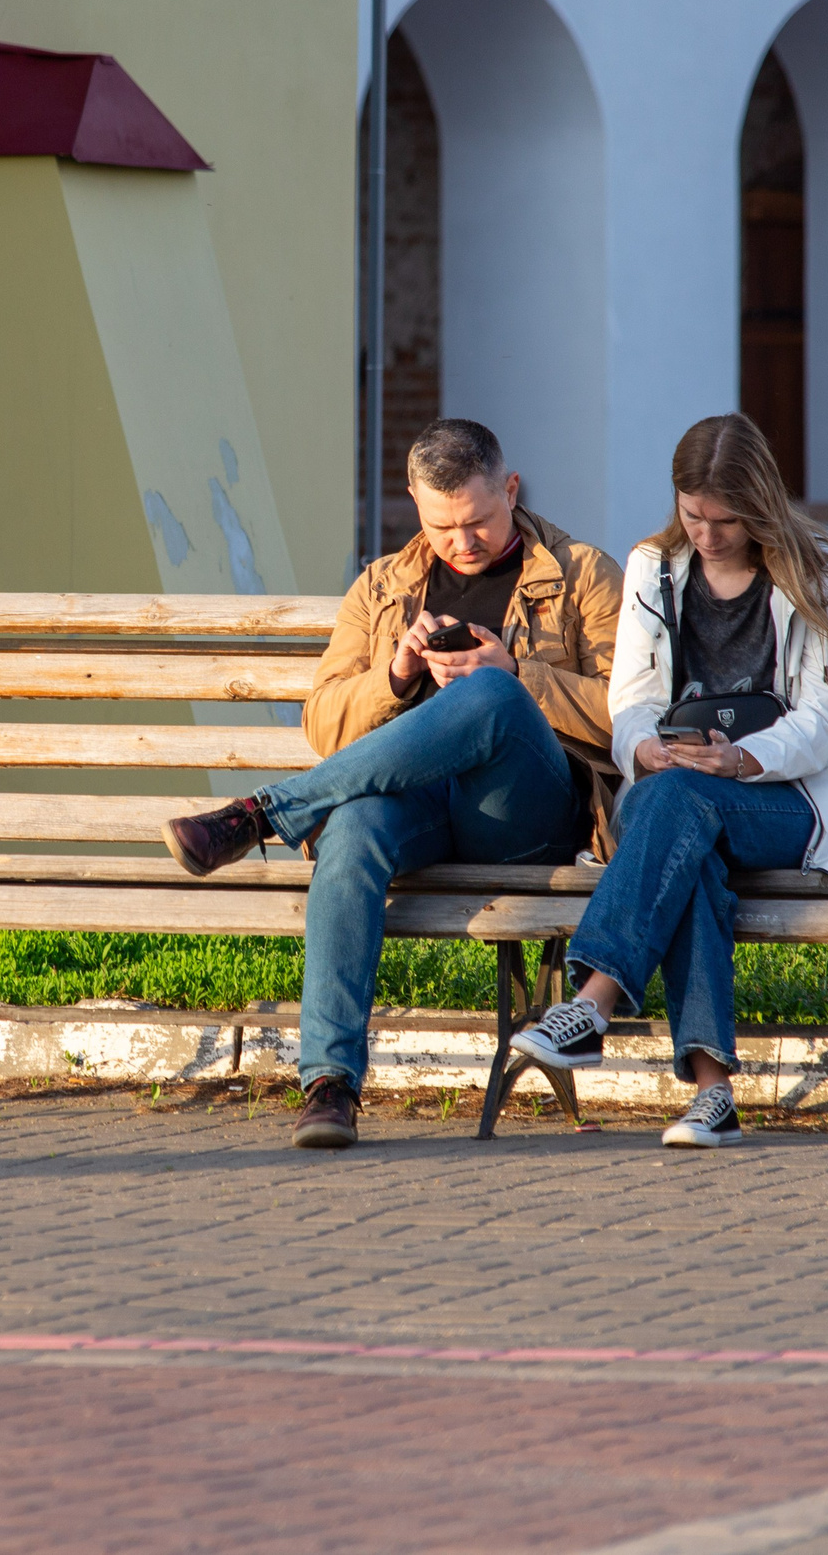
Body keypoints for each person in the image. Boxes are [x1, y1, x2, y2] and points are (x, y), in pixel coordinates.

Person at [161, 419, 622, 1150]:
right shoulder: (382, 586)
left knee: (490, 698)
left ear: (510, 488)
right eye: (442, 527)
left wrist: (517, 675)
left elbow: (627, 718)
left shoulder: (583, 573)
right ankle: (329, 1086)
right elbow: (323, 718)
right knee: (350, 830)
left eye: (478, 520)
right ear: (414, 501)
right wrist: (398, 675)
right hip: (421, 812)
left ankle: (261, 814)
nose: (462, 542)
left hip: (526, 815)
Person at [508, 413, 828, 1147]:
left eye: (725, 520)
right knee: (685, 840)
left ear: (761, 505)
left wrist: (742, 759)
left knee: (675, 808)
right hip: (684, 791)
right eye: (692, 515)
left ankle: (595, 1001)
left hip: (790, 801)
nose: (706, 535)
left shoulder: (826, 573)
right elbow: (633, 700)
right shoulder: (654, 568)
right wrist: (645, 748)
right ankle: (714, 1096)